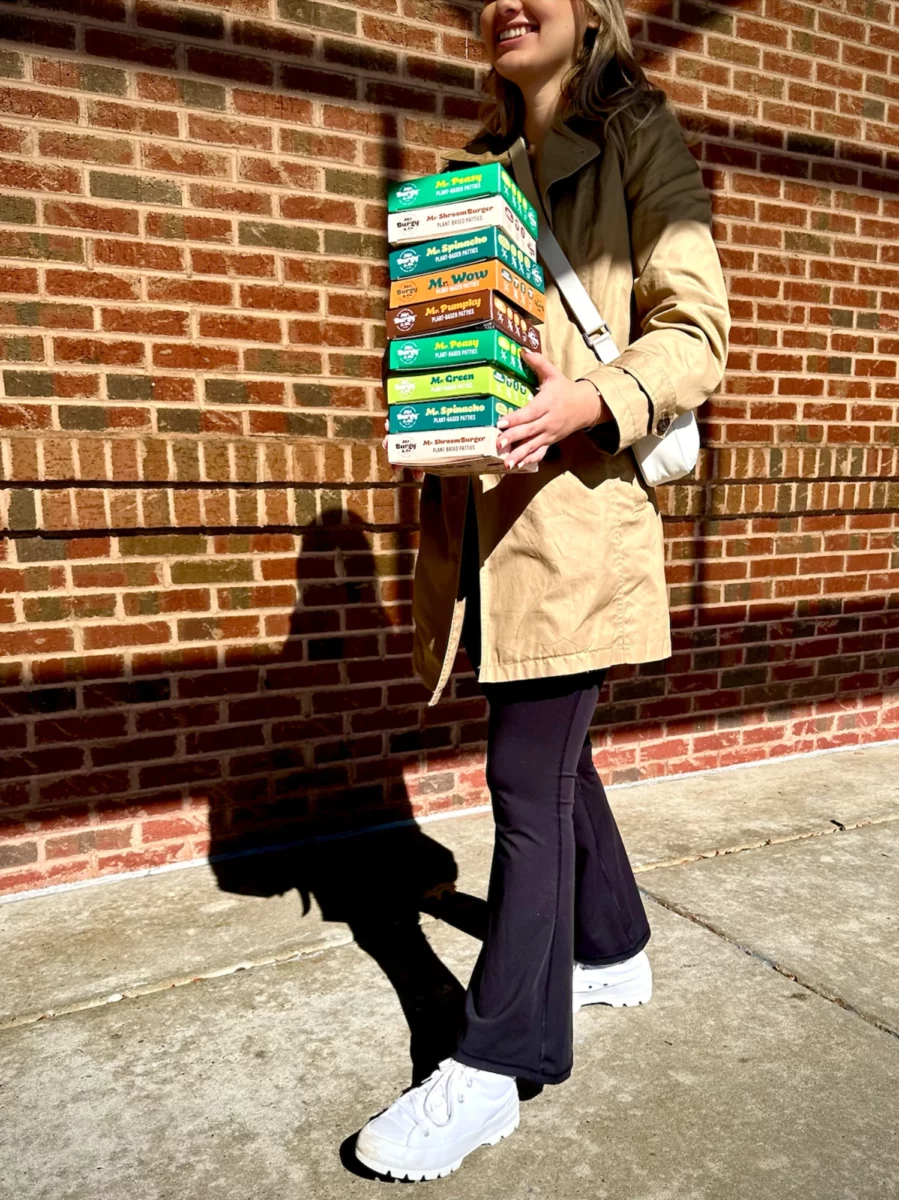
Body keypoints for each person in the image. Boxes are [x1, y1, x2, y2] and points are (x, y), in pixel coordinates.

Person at [357, 0, 731, 1181]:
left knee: (521, 774)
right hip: (478, 521)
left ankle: (497, 1060)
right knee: (551, 758)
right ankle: (611, 941)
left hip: (574, 515)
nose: (504, 0)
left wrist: (590, 399)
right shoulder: (469, 173)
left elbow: (697, 332)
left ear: (590, 11)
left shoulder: (633, 131)